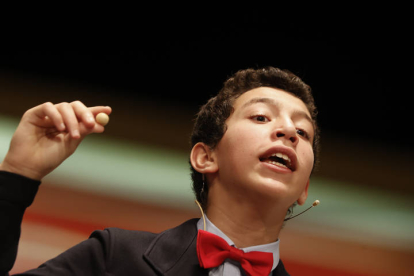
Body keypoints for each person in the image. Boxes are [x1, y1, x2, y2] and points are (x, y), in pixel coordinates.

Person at [0, 66, 319, 276]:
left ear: (304, 188)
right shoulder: (115, 258)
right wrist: (17, 174)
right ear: (205, 158)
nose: (289, 131)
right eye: (262, 117)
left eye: (302, 133)